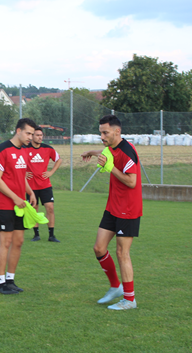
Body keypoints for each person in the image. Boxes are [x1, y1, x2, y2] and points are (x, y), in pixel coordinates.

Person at [81, 115, 142, 310]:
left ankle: (130, 299)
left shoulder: (127, 152)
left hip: (128, 209)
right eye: (100, 132)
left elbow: (132, 181)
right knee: (99, 248)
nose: (102, 136)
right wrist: (91, 152)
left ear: (117, 132)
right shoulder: (112, 147)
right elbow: (106, 151)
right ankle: (116, 286)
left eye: (105, 132)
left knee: (122, 253)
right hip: (112, 207)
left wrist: (111, 168)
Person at [0, 118, 38, 294]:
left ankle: (10, 280)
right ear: (18, 131)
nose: (30, 137)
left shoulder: (25, 151)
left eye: (33, 134)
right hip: (4, 204)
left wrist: (30, 192)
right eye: (28, 133)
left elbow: (20, 177)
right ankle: (0, 283)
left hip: (20, 205)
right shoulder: (1, 150)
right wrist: (15, 198)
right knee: (6, 242)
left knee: (18, 242)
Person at [25, 126, 62, 242]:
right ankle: (36, 235)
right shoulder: (24, 149)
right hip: (30, 186)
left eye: (41, 135)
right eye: (37, 135)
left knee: (50, 208)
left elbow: (59, 159)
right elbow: (16, 162)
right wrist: (23, 174)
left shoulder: (48, 148)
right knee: (34, 209)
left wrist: (51, 172)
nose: (40, 137)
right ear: (32, 136)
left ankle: (51, 235)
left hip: (45, 185)